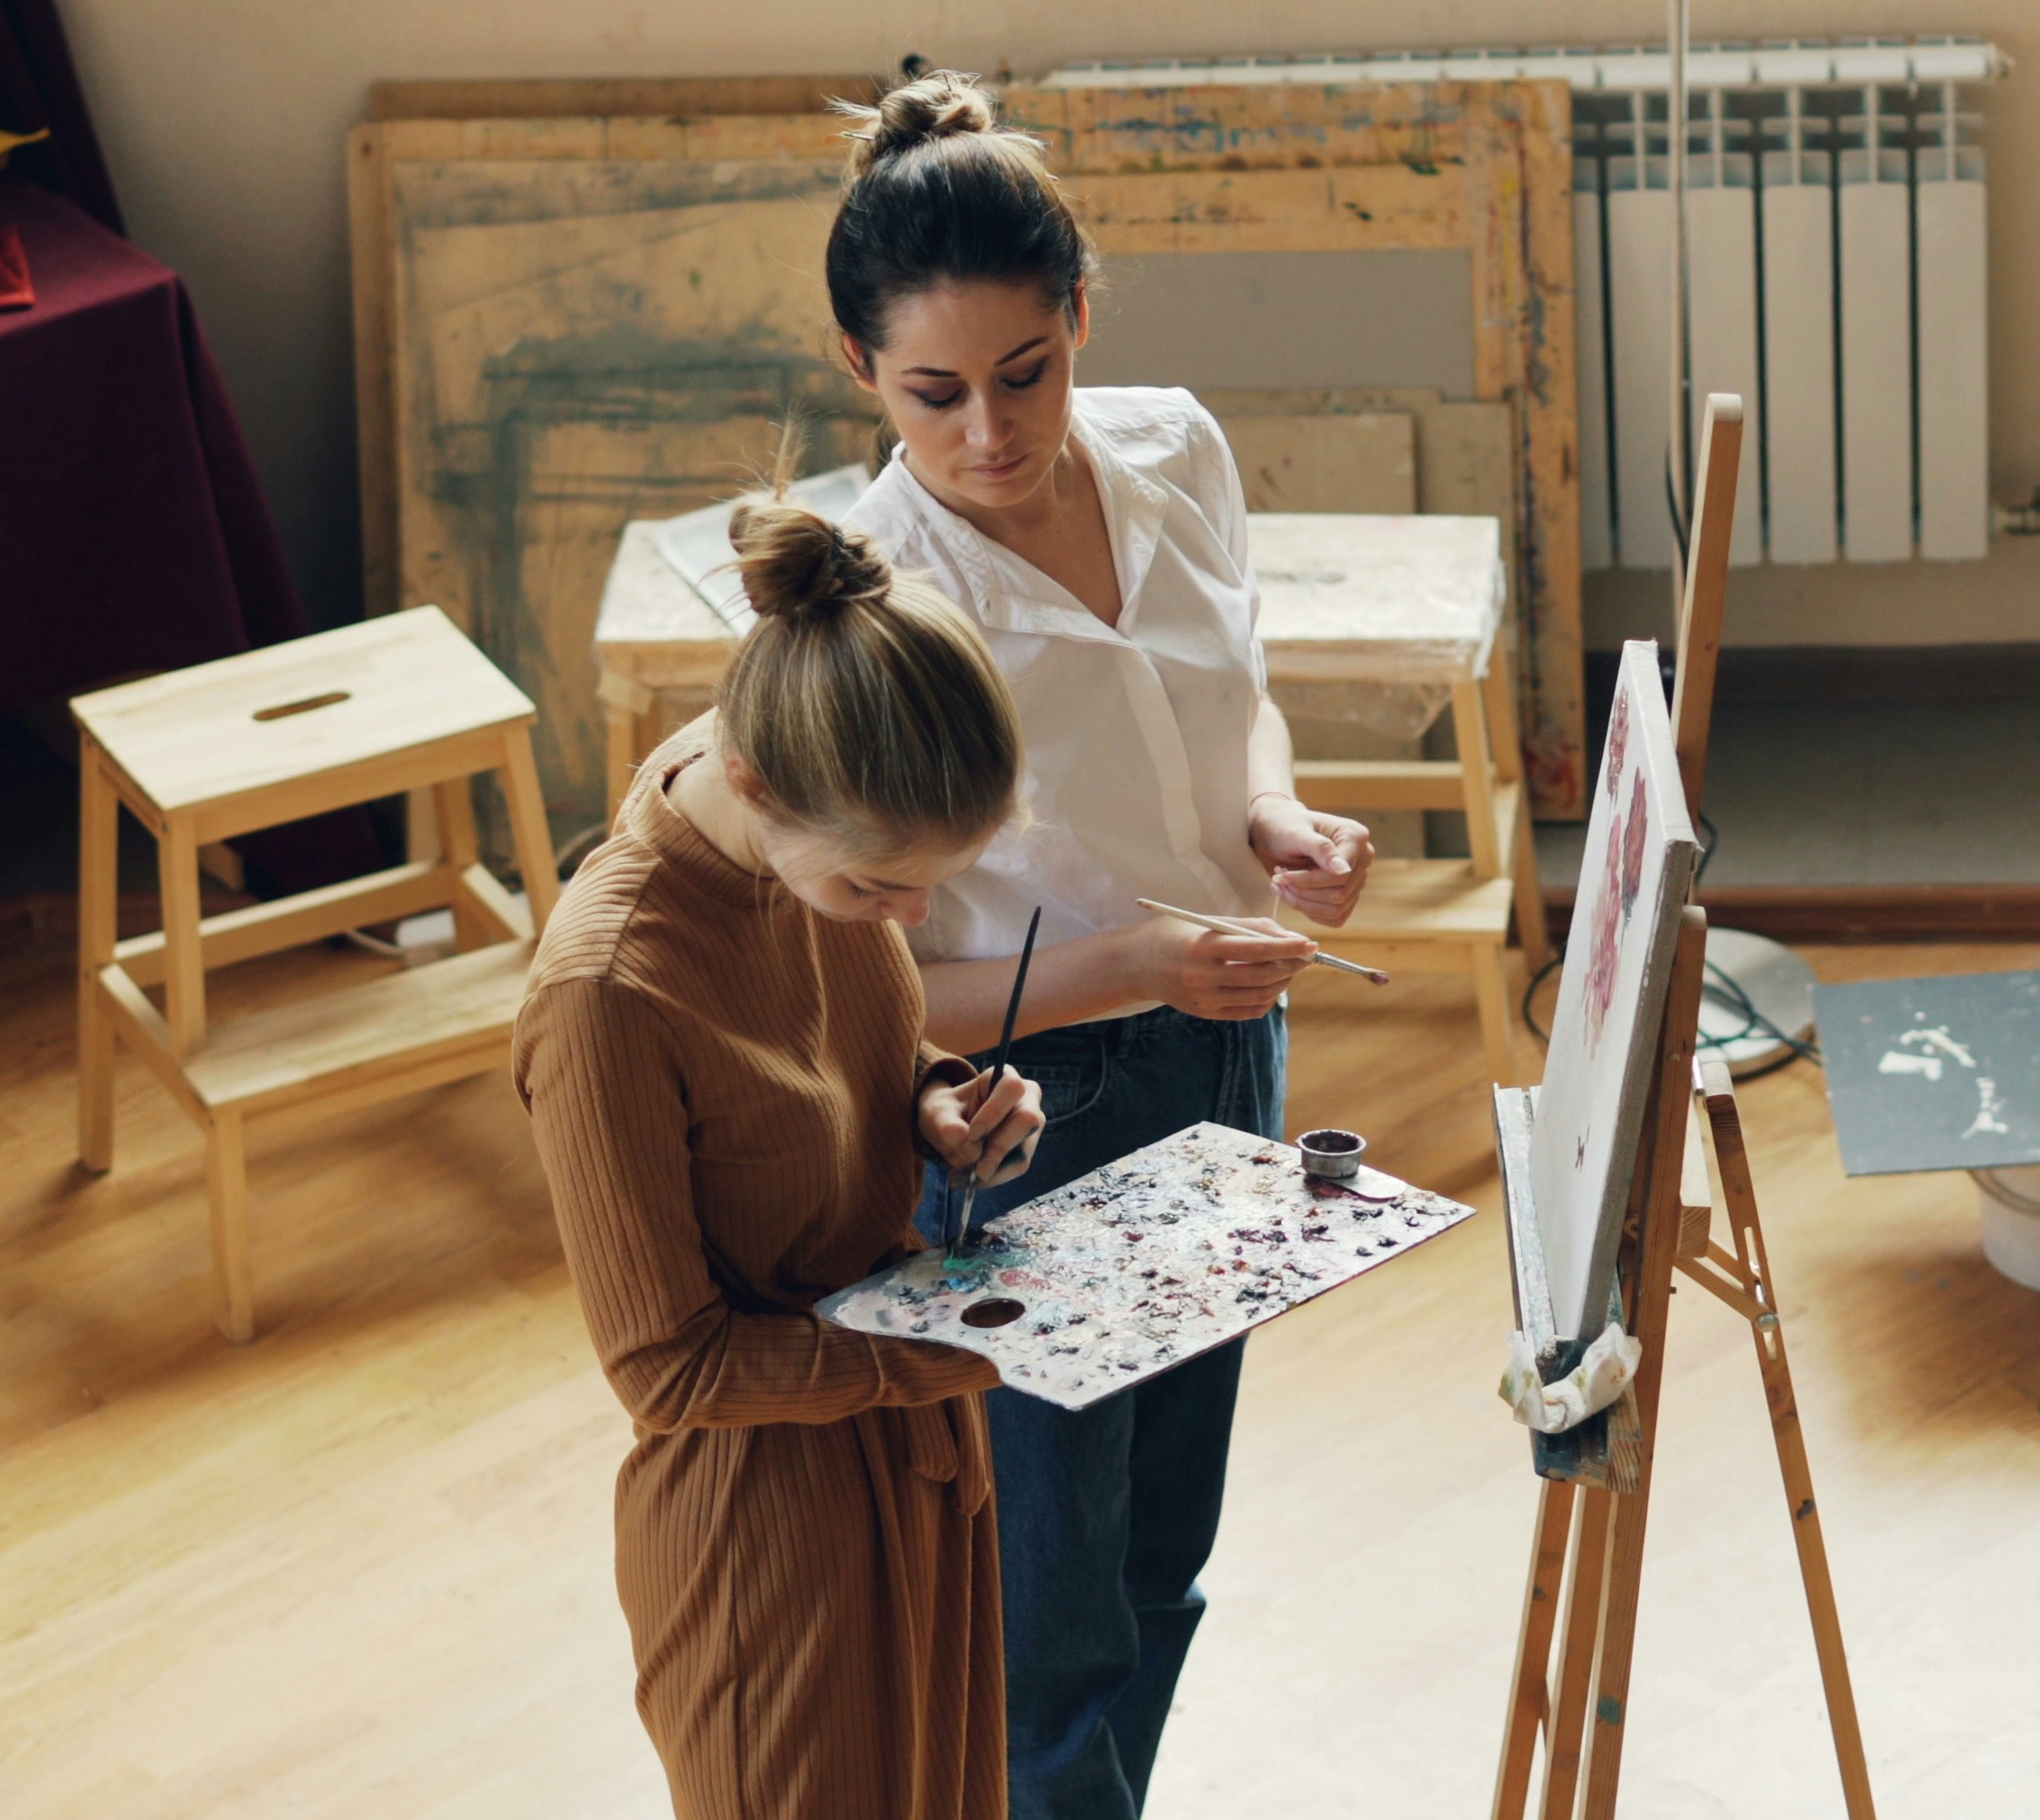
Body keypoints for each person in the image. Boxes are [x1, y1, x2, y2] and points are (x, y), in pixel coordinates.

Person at [825, 69, 1378, 1818]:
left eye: (1025, 372)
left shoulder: (1177, 448)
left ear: (1082, 316)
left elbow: (1241, 700)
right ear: (860, 376)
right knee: (1050, 1628)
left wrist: (1275, 818)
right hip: (1023, 1109)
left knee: (1162, 1569)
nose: (989, 432)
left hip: (1227, 1042)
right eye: (933, 395)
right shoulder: (870, 602)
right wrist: (1131, 965)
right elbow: (855, 993)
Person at [513, 484, 1047, 1820]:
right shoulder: (609, 993)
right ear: (753, 782)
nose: (910, 917)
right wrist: (949, 1343)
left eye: (933, 884)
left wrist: (931, 1099)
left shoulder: (781, 780)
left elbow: (852, 1039)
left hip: (916, 1442)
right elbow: (669, 1366)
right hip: (769, 1527)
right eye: (878, 890)